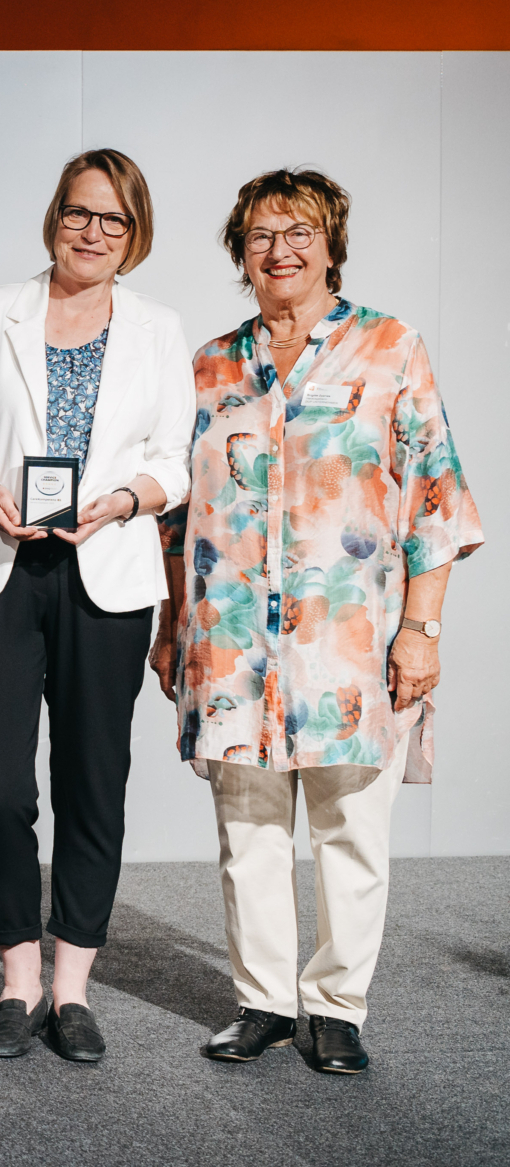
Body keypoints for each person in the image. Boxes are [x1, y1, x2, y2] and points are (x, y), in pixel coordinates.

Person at [154, 168, 480, 1076]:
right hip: (230, 644)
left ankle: (335, 1007)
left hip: (348, 646)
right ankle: (260, 999)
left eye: (299, 231)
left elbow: (436, 501)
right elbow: (178, 516)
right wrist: (172, 619)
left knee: (349, 831)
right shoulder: (210, 364)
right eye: (261, 234)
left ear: (331, 243)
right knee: (247, 831)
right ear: (239, 253)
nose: (280, 249)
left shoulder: (390, 349)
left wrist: (422, 629)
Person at [0, 149, 192, 1063]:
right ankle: (17, 975)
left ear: (135, 235)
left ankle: (72, 985)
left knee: (93, 780)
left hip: (107, 569)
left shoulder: (160, 329)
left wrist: (123, 500)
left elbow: (175, 461)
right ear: (55, 216)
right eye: (79, 213)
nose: (91, 232)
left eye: (113, 220)